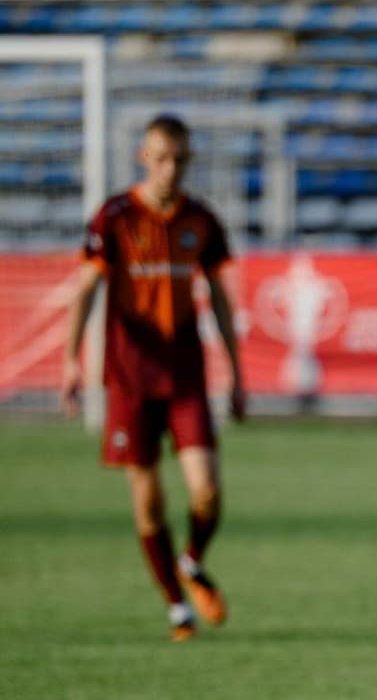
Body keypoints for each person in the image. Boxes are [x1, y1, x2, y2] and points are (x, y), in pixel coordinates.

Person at [62, 113, 246, 642]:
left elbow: (219, 298)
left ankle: (191, 562)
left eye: (180, 160)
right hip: (130, 380)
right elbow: (85, 289)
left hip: (185, 377)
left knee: (206, 491)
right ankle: (176, 608)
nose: (171, 169)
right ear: (143, 157)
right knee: (148, 503)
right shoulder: (115, 217)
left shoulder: (201, 220)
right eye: (162, 158)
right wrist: (71, 360)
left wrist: (236, 372)